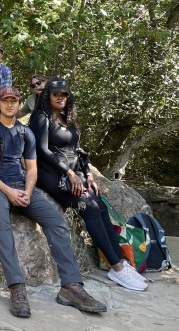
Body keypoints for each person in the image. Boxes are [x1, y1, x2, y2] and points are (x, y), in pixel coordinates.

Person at [0, 87, 108, 317]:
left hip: (21, 185)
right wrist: (8, 191)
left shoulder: (25, 133)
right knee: (2, 223)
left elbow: (32, 169)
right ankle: (17, 288)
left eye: (14, 101)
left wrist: (26, 191)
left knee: (56, 221)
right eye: (5, 101)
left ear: (19, 105)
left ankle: (70, 287)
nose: (9, 105)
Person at [30, 77, 147, 291]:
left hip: (74, 172)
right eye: (56, 93)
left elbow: (78, 151)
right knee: (90, 209)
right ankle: (117, 268)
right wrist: (68, 172)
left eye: (64, 94)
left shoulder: (68, 118)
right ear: (47, 96)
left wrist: (87, 174)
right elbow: (42, 150)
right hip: (50, 173)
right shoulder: (41, 117)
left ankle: (119, 261)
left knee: (101, 207)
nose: (60, 97)